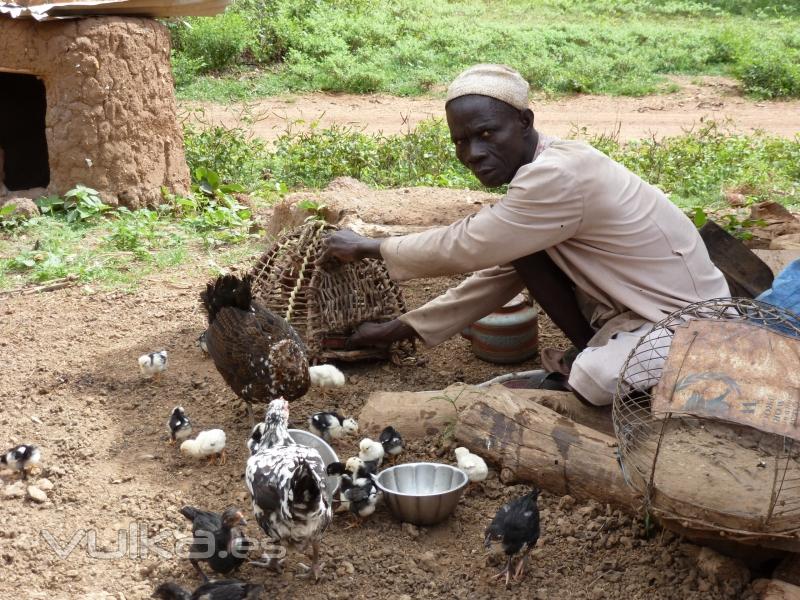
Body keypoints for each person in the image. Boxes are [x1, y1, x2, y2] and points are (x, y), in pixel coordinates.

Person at [317, 64, 730, 406]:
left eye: (486, 134)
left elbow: (465, 244)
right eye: (460, 141)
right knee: (531, 260)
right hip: (639, 311)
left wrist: (368, 246)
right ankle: (599, 353)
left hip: (688, 325)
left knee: (594, 379)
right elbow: (504, 271)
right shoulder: (544, 175)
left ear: (524, 122)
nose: (473, 153)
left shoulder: (557, 176)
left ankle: (617, 371)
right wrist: (401, 328)